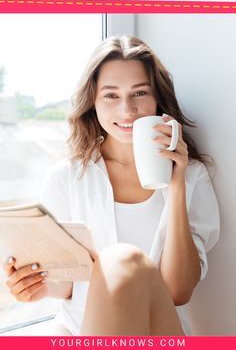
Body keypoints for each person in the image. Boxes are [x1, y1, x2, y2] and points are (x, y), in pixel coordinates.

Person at [3, 36, 220, 336]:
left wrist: (177, 184)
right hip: (81, 332)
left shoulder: (191, 175)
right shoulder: (66, 178)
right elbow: (67, 285)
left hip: (157, 333)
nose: (127, 110)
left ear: (157, 98)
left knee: (122, 260)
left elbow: (178, 291)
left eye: (139, 93)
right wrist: (32, 286)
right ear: (92, 102)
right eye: (111, 95)